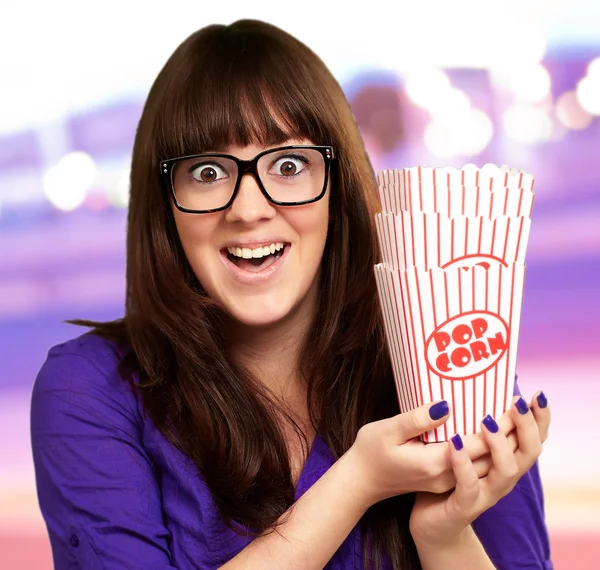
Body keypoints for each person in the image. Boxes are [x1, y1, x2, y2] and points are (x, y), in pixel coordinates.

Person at [30, 19, 552, 570]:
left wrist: (445, 537)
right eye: (208, 171)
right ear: (165, 202)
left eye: (288, 165)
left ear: (339, 184)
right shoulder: (88, 391)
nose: (248, 209)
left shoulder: (449, 360)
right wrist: (356, 482)